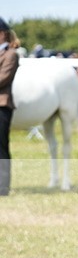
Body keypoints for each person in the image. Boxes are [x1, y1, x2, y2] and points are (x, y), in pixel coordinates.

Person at [0, 17, 20, 196]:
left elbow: (3, 78)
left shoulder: (11, 55)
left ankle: (3, 187)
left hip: (2, 106)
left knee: (1, 148)